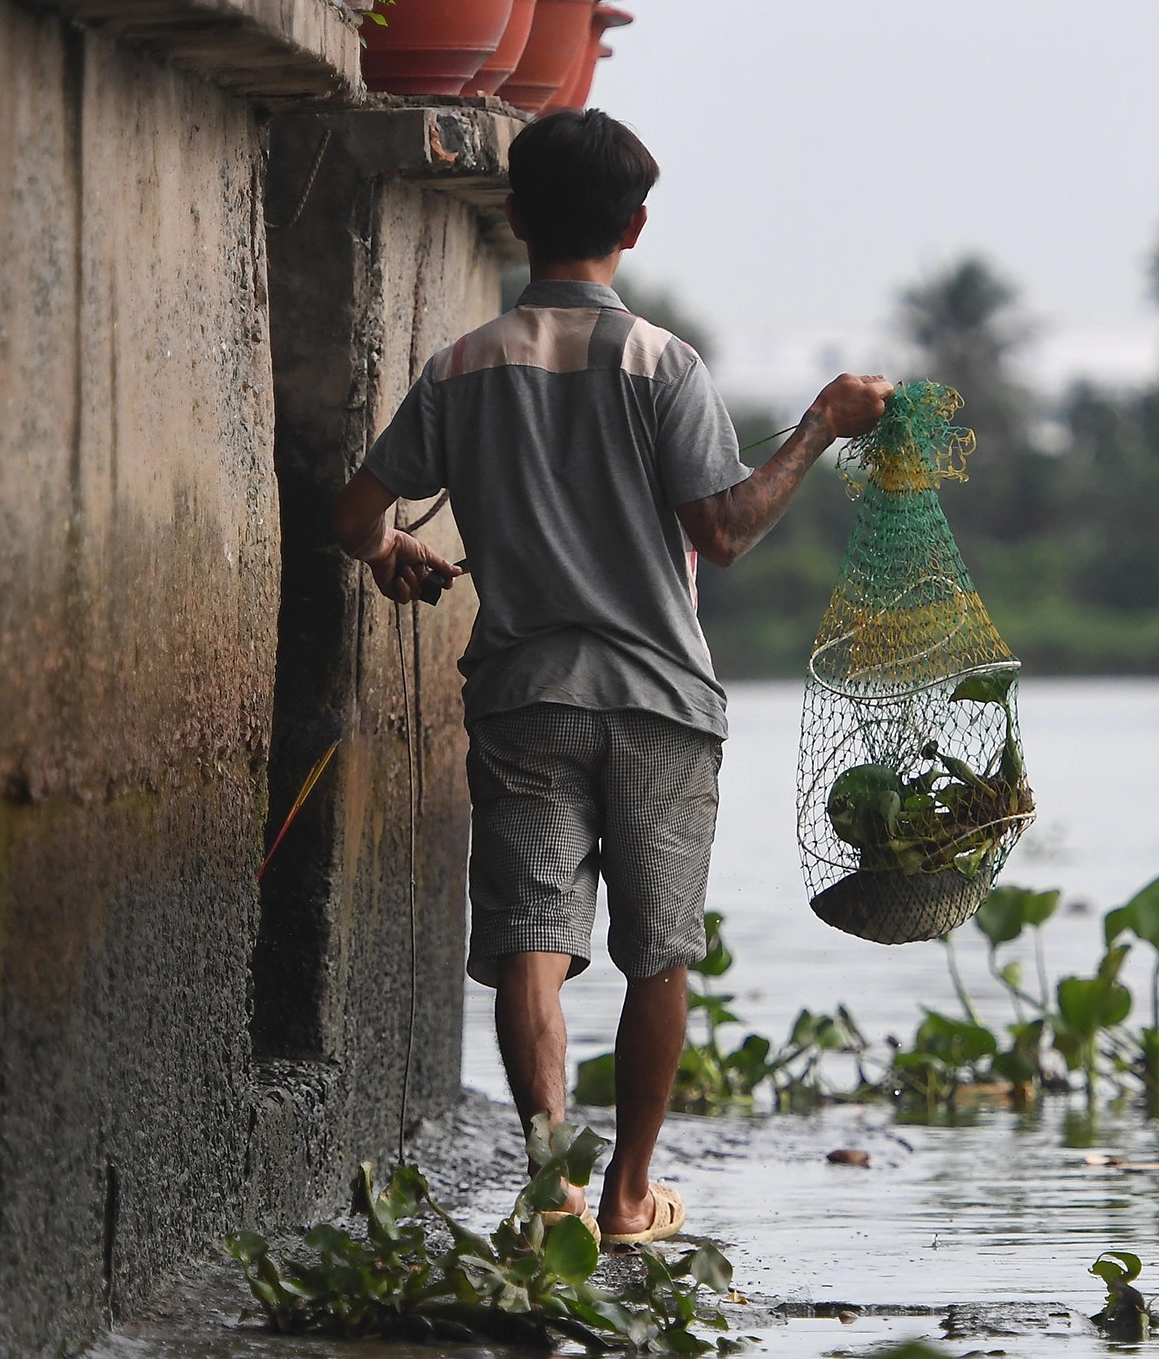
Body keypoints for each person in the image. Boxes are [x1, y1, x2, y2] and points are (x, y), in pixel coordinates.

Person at [331, 108, 891, 1246]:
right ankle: (631, 1194)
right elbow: (724, 532)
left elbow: (353, 512)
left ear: (516, 219)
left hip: (523, 701)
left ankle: (552, 1192)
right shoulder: (661, 363)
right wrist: (820, 426)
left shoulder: (460, 369)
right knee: (657, 952)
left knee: (529, 938)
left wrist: (392, 552)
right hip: (660, 704)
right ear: (634, 227)